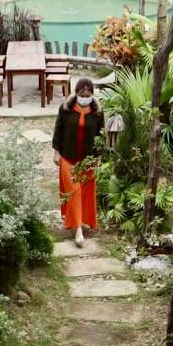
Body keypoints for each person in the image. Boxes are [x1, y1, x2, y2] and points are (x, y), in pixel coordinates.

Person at [52, 77, 104, 247]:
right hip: (69, 157)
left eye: (88, 95)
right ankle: (78, 229)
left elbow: (101, 135)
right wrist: (56, 152)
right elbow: (58, 130)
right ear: (76, 93)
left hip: (88, 160)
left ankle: (83, 220)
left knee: (86, 192)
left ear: (92, 95)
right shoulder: (66, 108)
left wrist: (99, 157)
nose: (85, 97)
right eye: (82, 94)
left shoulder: (97, 112)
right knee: (74, 192)